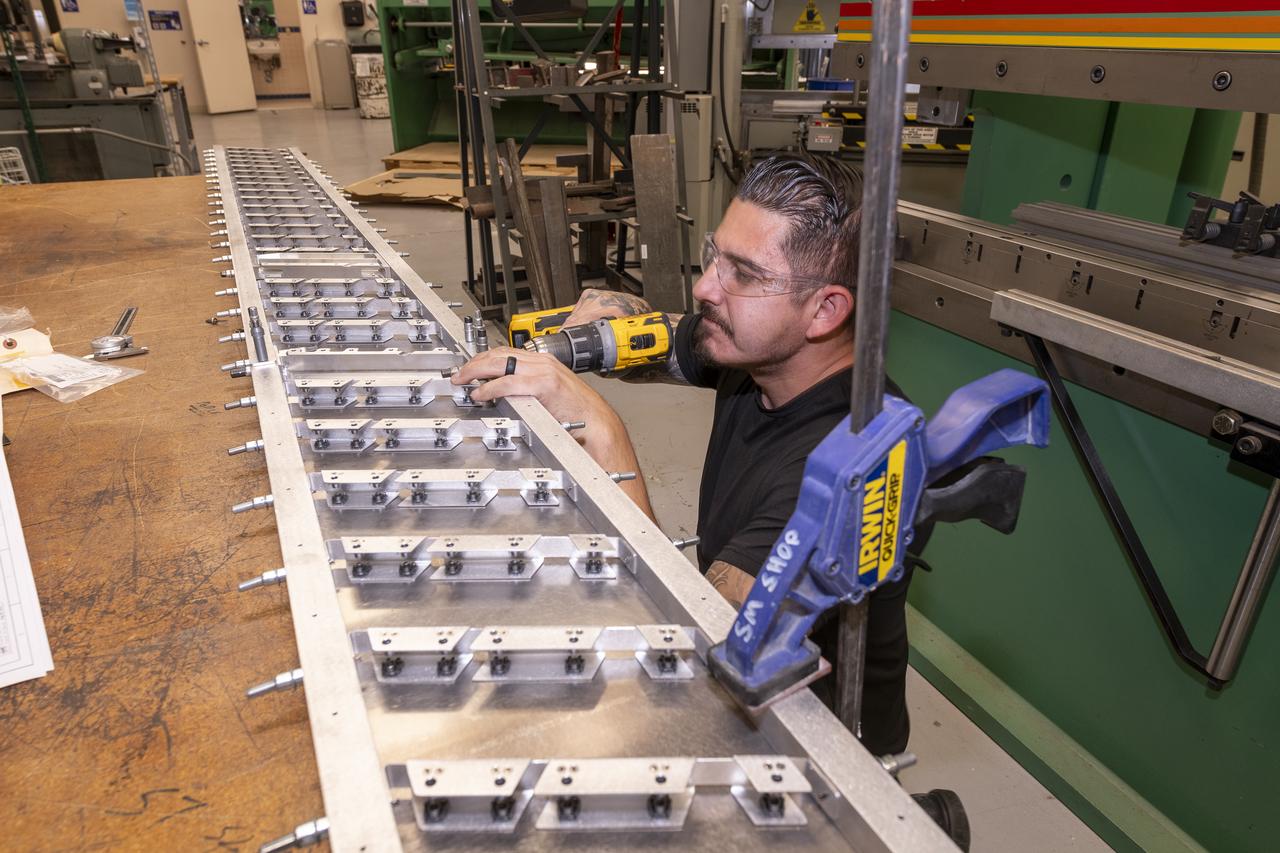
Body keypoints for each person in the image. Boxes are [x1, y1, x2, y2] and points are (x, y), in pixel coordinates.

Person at [451, 153, 913, 757]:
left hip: (805, 748)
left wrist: (601, 427)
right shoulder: (761, 353)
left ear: (825, 311)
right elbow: (661, 336)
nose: (705, 287)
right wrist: (579, 339)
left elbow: (688, 651)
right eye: (714, 257)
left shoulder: (856, 469)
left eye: (742, 274)